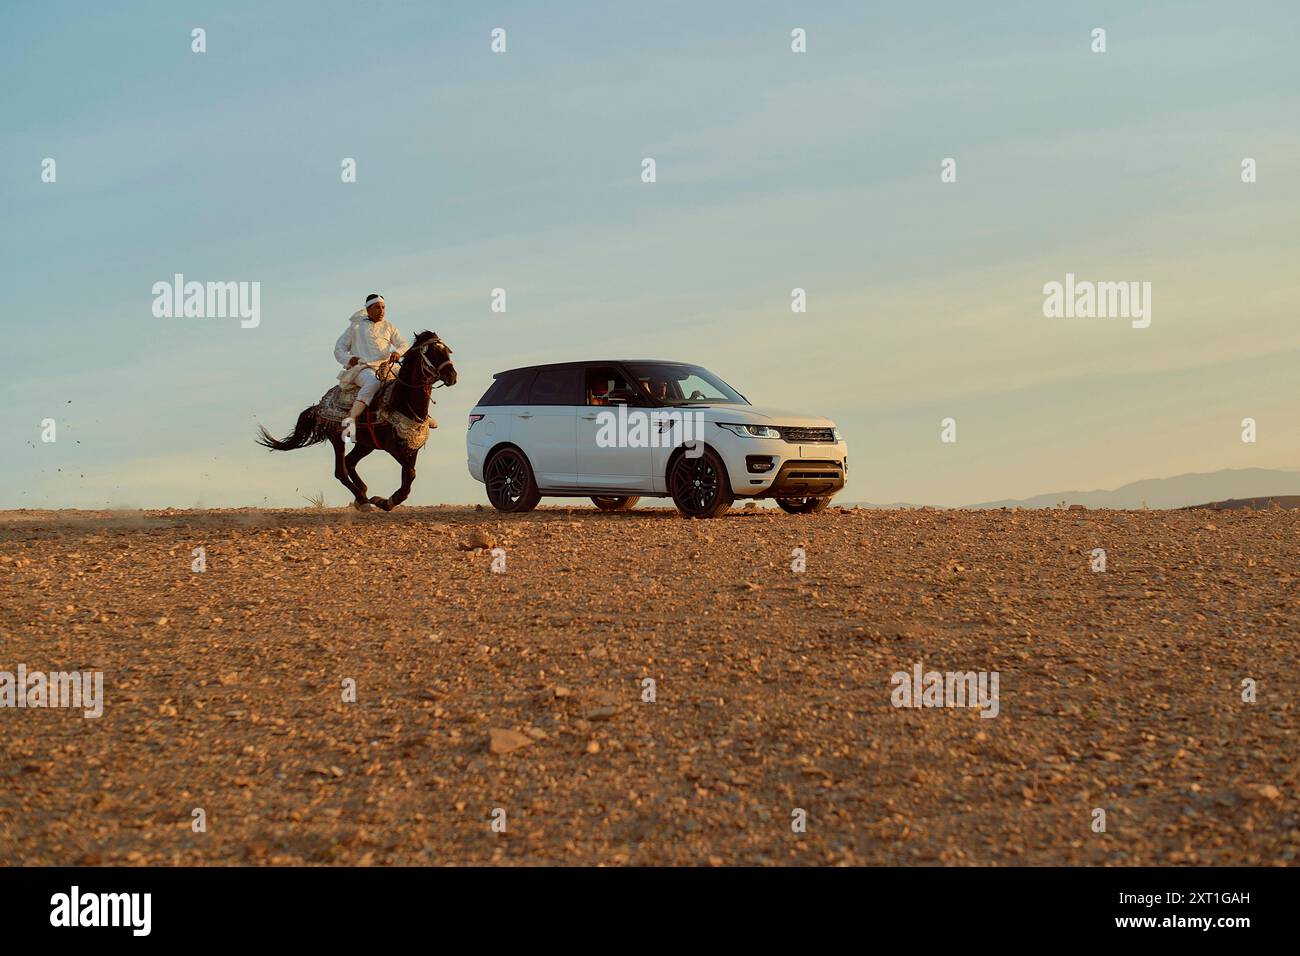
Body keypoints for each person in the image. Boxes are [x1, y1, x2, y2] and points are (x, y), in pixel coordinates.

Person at [335, 293, 409, 425]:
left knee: (410, 379)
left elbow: (403, 344)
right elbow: (339, 348)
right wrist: (349, 359)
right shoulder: (355, 327)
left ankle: (423, 417)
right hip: (363, 368)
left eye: (383, 307)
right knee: (374, 383)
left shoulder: (389, 326)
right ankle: (350, 419)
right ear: (368, 309)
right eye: (377, 307)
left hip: (387, 367)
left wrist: (398, 352)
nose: (381, 311)